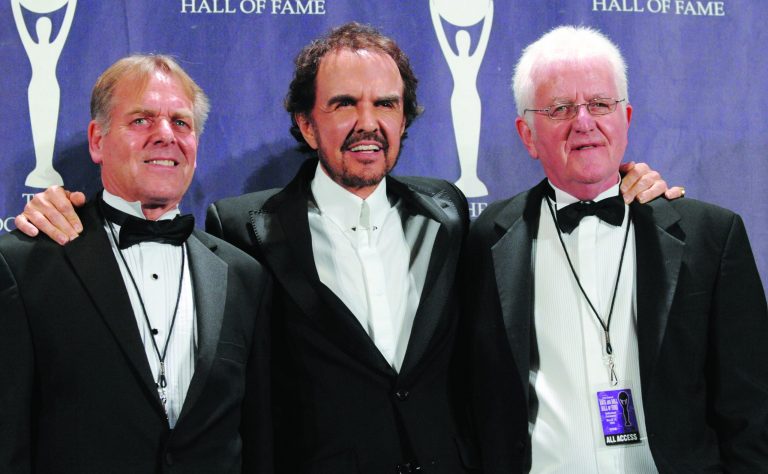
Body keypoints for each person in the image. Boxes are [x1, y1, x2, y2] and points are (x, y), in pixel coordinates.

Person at [13, 23, 676, 474]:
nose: (368, 122)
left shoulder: (452, 216)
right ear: (307, 122)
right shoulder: (245, 231)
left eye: (385, 104)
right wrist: (55, 208)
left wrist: (628, 186)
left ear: (405, 119)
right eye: (344, 104)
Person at [466, 25, 768, 473]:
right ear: (527, 135)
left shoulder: (711, 236)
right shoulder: (487, 238)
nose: (583, 121)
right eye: (560, 108)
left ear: (625, 119)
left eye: (600, 104)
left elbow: (751, 415)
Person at [0, 54, 272, 473]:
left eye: (181, 123)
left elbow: (256, 440)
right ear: (97, 140)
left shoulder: (243, 276)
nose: (165, 135)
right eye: (142, 120)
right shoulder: (26, 264)